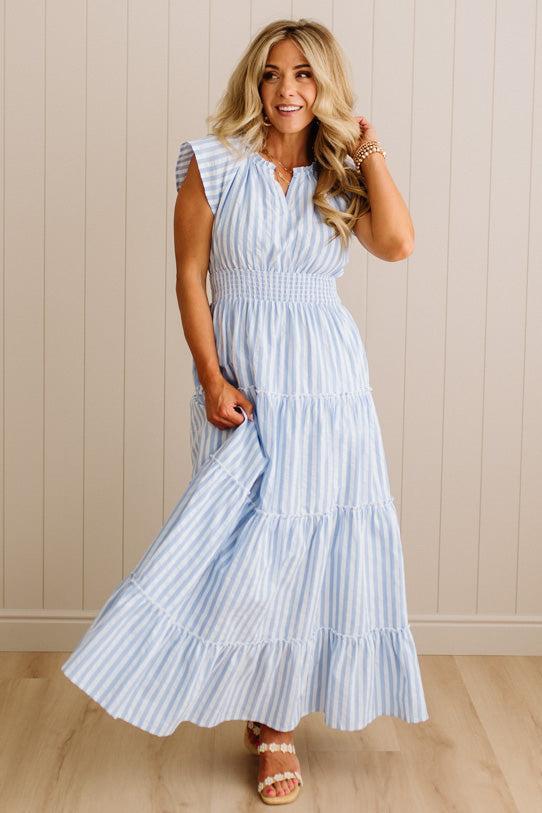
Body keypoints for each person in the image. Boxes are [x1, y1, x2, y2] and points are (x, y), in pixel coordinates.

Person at [61, 17, 429, 806]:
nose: (286, 89)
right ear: (253, 83)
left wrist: (369, 147)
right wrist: (210, 373)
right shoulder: (214, 163)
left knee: (313, 544)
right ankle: (251, 709)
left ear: (325, 84)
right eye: (271, 74)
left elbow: (397, 244)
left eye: (303, 74)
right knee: (252, 546)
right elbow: (190, 277)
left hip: (330, 381)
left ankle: (277, 720)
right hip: (247, 379)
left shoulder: (341, 174)